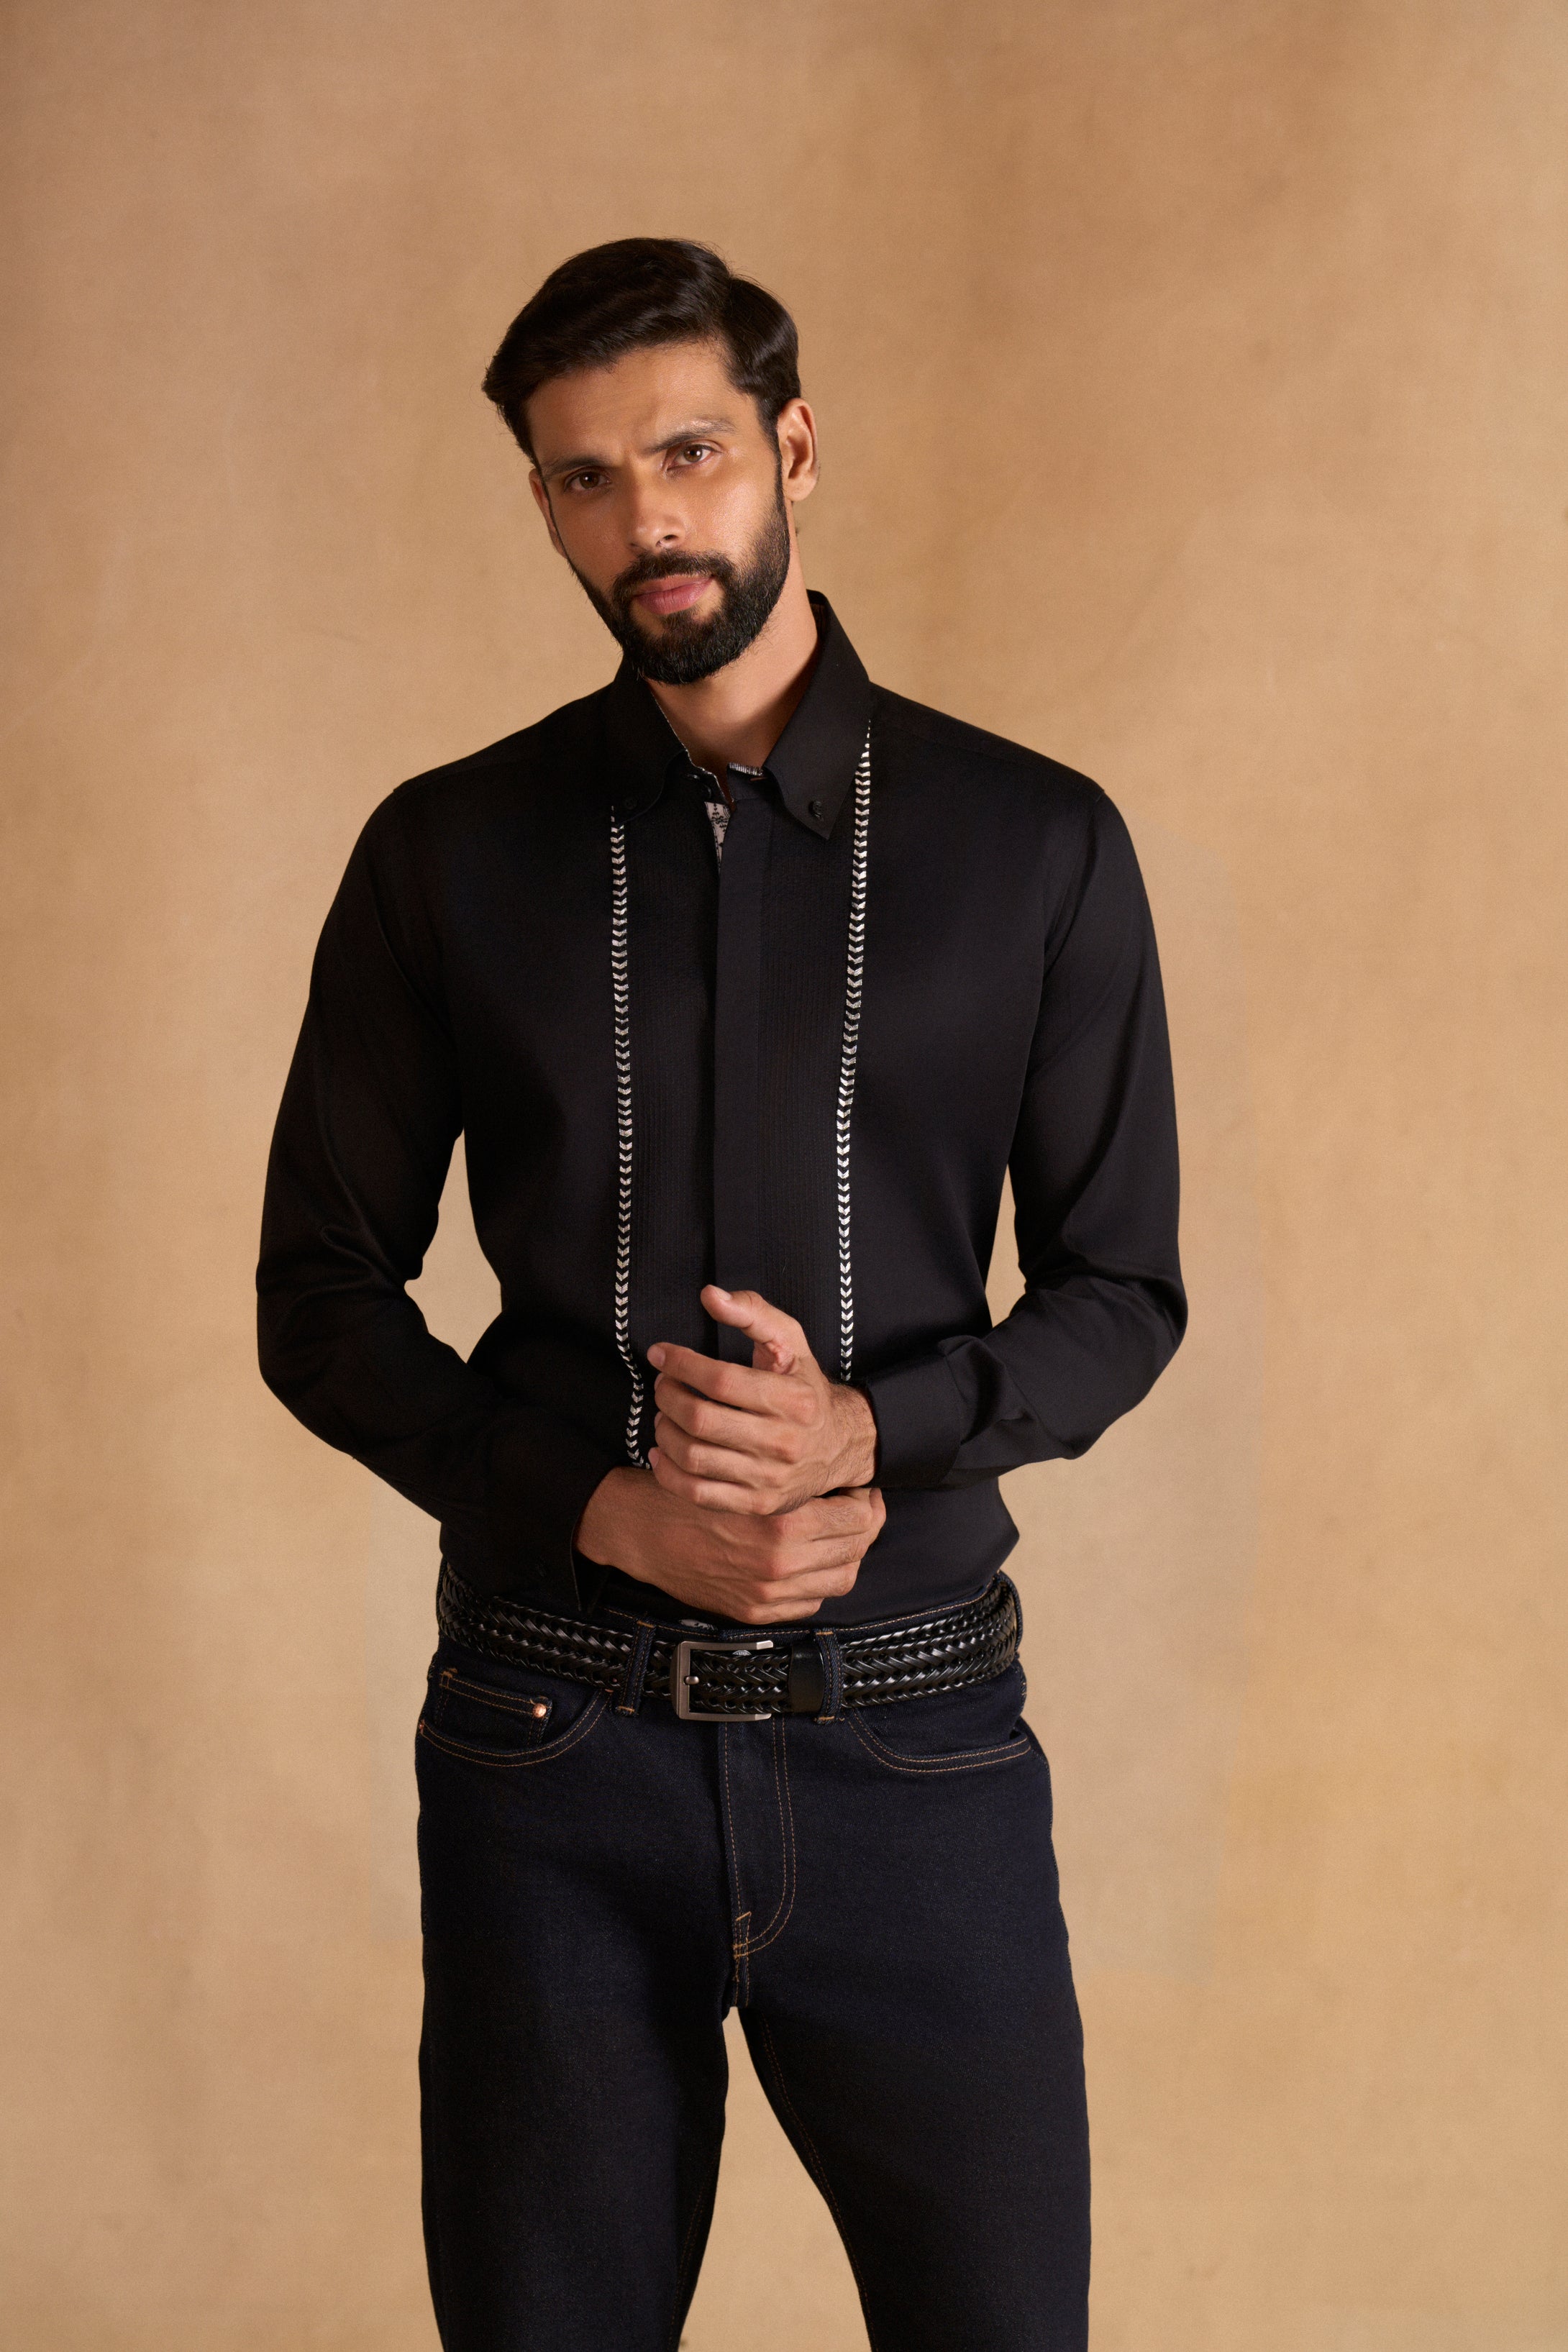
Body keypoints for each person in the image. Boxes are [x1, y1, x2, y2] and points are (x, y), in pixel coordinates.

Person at [257, 237, 1185, 2351]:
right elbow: (318, 1296)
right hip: (548, 1750)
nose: (646, 520)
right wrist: (603, 1509)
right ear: (543, 505)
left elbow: (1122, 1291)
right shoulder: (446, 852)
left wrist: (871, 1433)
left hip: (917, 1742)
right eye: (586, 478)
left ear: (794, 448)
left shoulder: (1034, 844)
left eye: (687, 454)